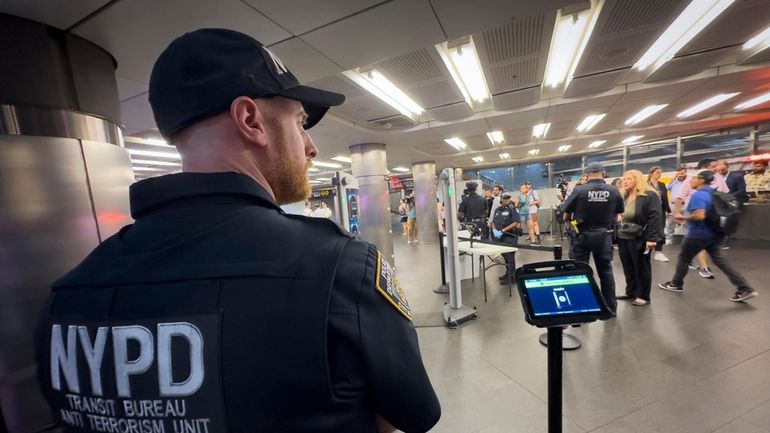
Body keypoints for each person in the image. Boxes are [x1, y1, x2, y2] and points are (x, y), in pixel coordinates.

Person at [34, 28, 440, 433]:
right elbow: (414, 413)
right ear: (251, 120)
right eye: (300, 122)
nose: (310, 146)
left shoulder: (67, 299)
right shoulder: (340, 269)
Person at [659, 171, 758, 303]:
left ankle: (676, 284)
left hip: (698, 234)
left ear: (701, 180)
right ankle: (745, 288)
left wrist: (681, 217)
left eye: (694, 178)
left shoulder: (699, 195)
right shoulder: (713, 193)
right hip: (716, 233)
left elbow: (700, 215)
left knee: (684, 257)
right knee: (720, 261)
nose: (691, 181)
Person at [562, 162, 624, 314]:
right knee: (606, 272)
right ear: (603, 173)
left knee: (579, 271)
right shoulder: (613, 190)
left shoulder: (579, 190)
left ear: (587, 174)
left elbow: (565, 214)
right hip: (604, 236)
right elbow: (618, 213)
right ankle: (610, 307)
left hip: (582, 235)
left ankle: (582, 305)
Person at [675, 159, 728, 279]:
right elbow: (679, 198)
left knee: (706, 246)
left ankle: (742, 286)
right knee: (698, 240)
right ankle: (703, 267)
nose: (716, 169)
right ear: (704, 168)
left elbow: (725, 195)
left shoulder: (718, 178)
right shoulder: (692, 180)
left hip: (713, 215)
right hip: (696, 213)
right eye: (713, 166)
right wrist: (678, 214)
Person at [617, 170, 662, 306]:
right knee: (627, 265)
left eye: (629, 179)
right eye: (624, 179)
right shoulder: (625, 196)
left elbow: (655, 218)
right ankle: (631, 291)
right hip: (623, 236)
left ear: (637, 180)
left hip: (639, 236)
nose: (625, 181)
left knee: (641, 266)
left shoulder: (648, 195)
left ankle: (643, 295)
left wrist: (652, 239)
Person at [491, 192, 520, 284]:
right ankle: (508, 273)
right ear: (501, 200)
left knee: (510, 257)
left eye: (508, 198)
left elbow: (515, 222)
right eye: (505, 198)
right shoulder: (497, 210)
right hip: (500, 237)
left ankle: (512, 276)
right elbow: (493, 221)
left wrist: (503, 230)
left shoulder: (513, 209)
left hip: (509, 236)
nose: (507, 200)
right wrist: (494, 230)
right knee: (505, 256)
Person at [647, 166, 671, 262]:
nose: (659, 174)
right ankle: (646, 249)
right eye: (657, 172)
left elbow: (665, 199)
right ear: (651, 173)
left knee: (661, 229)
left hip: (660, 210)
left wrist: (667, 210)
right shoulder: (646, 184)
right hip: (648, 210)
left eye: (660, 172)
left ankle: (658, 252)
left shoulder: (662, 184)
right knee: (648, 229)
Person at [665, 167, 688, 243]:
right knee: (670, 222)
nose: (680, 175)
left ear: (686, 173)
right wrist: (671, 181)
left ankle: (686, 239)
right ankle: (669, 239)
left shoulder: (689, 182)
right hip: (673, 205)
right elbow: (665, 189)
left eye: (682, 173)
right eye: (678, 173)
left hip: (685, 205)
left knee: (686, 222)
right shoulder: (674, 182)